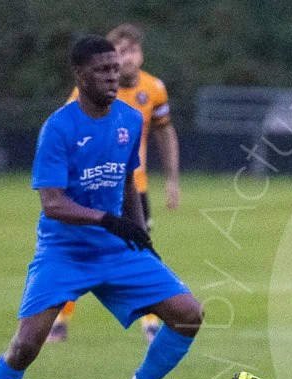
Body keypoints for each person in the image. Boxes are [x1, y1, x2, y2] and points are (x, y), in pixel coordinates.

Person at [0, 36, 203, 379]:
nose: (114, 76)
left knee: (188, 314)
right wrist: (108, 220)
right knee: (26, 345)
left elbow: (128, 180)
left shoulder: (129, 118)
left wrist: (136, 228)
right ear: (80, 74)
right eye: (103, 70)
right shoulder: (59, 127)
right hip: (64, 251)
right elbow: (52, 203)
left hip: (115, 248)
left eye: (116, 69)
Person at [50, 23, 181, 343]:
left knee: (141, 249)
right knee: (80, 252)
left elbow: (164, 130)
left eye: (133, 50)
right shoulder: (88, 94)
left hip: (134, 189)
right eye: (120, 51)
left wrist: (173, 179)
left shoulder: (153, 89)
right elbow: (66, 134)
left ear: (142, 54)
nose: (128, 58)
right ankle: (59, 320)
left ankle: (150, 321)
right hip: (92, 191)